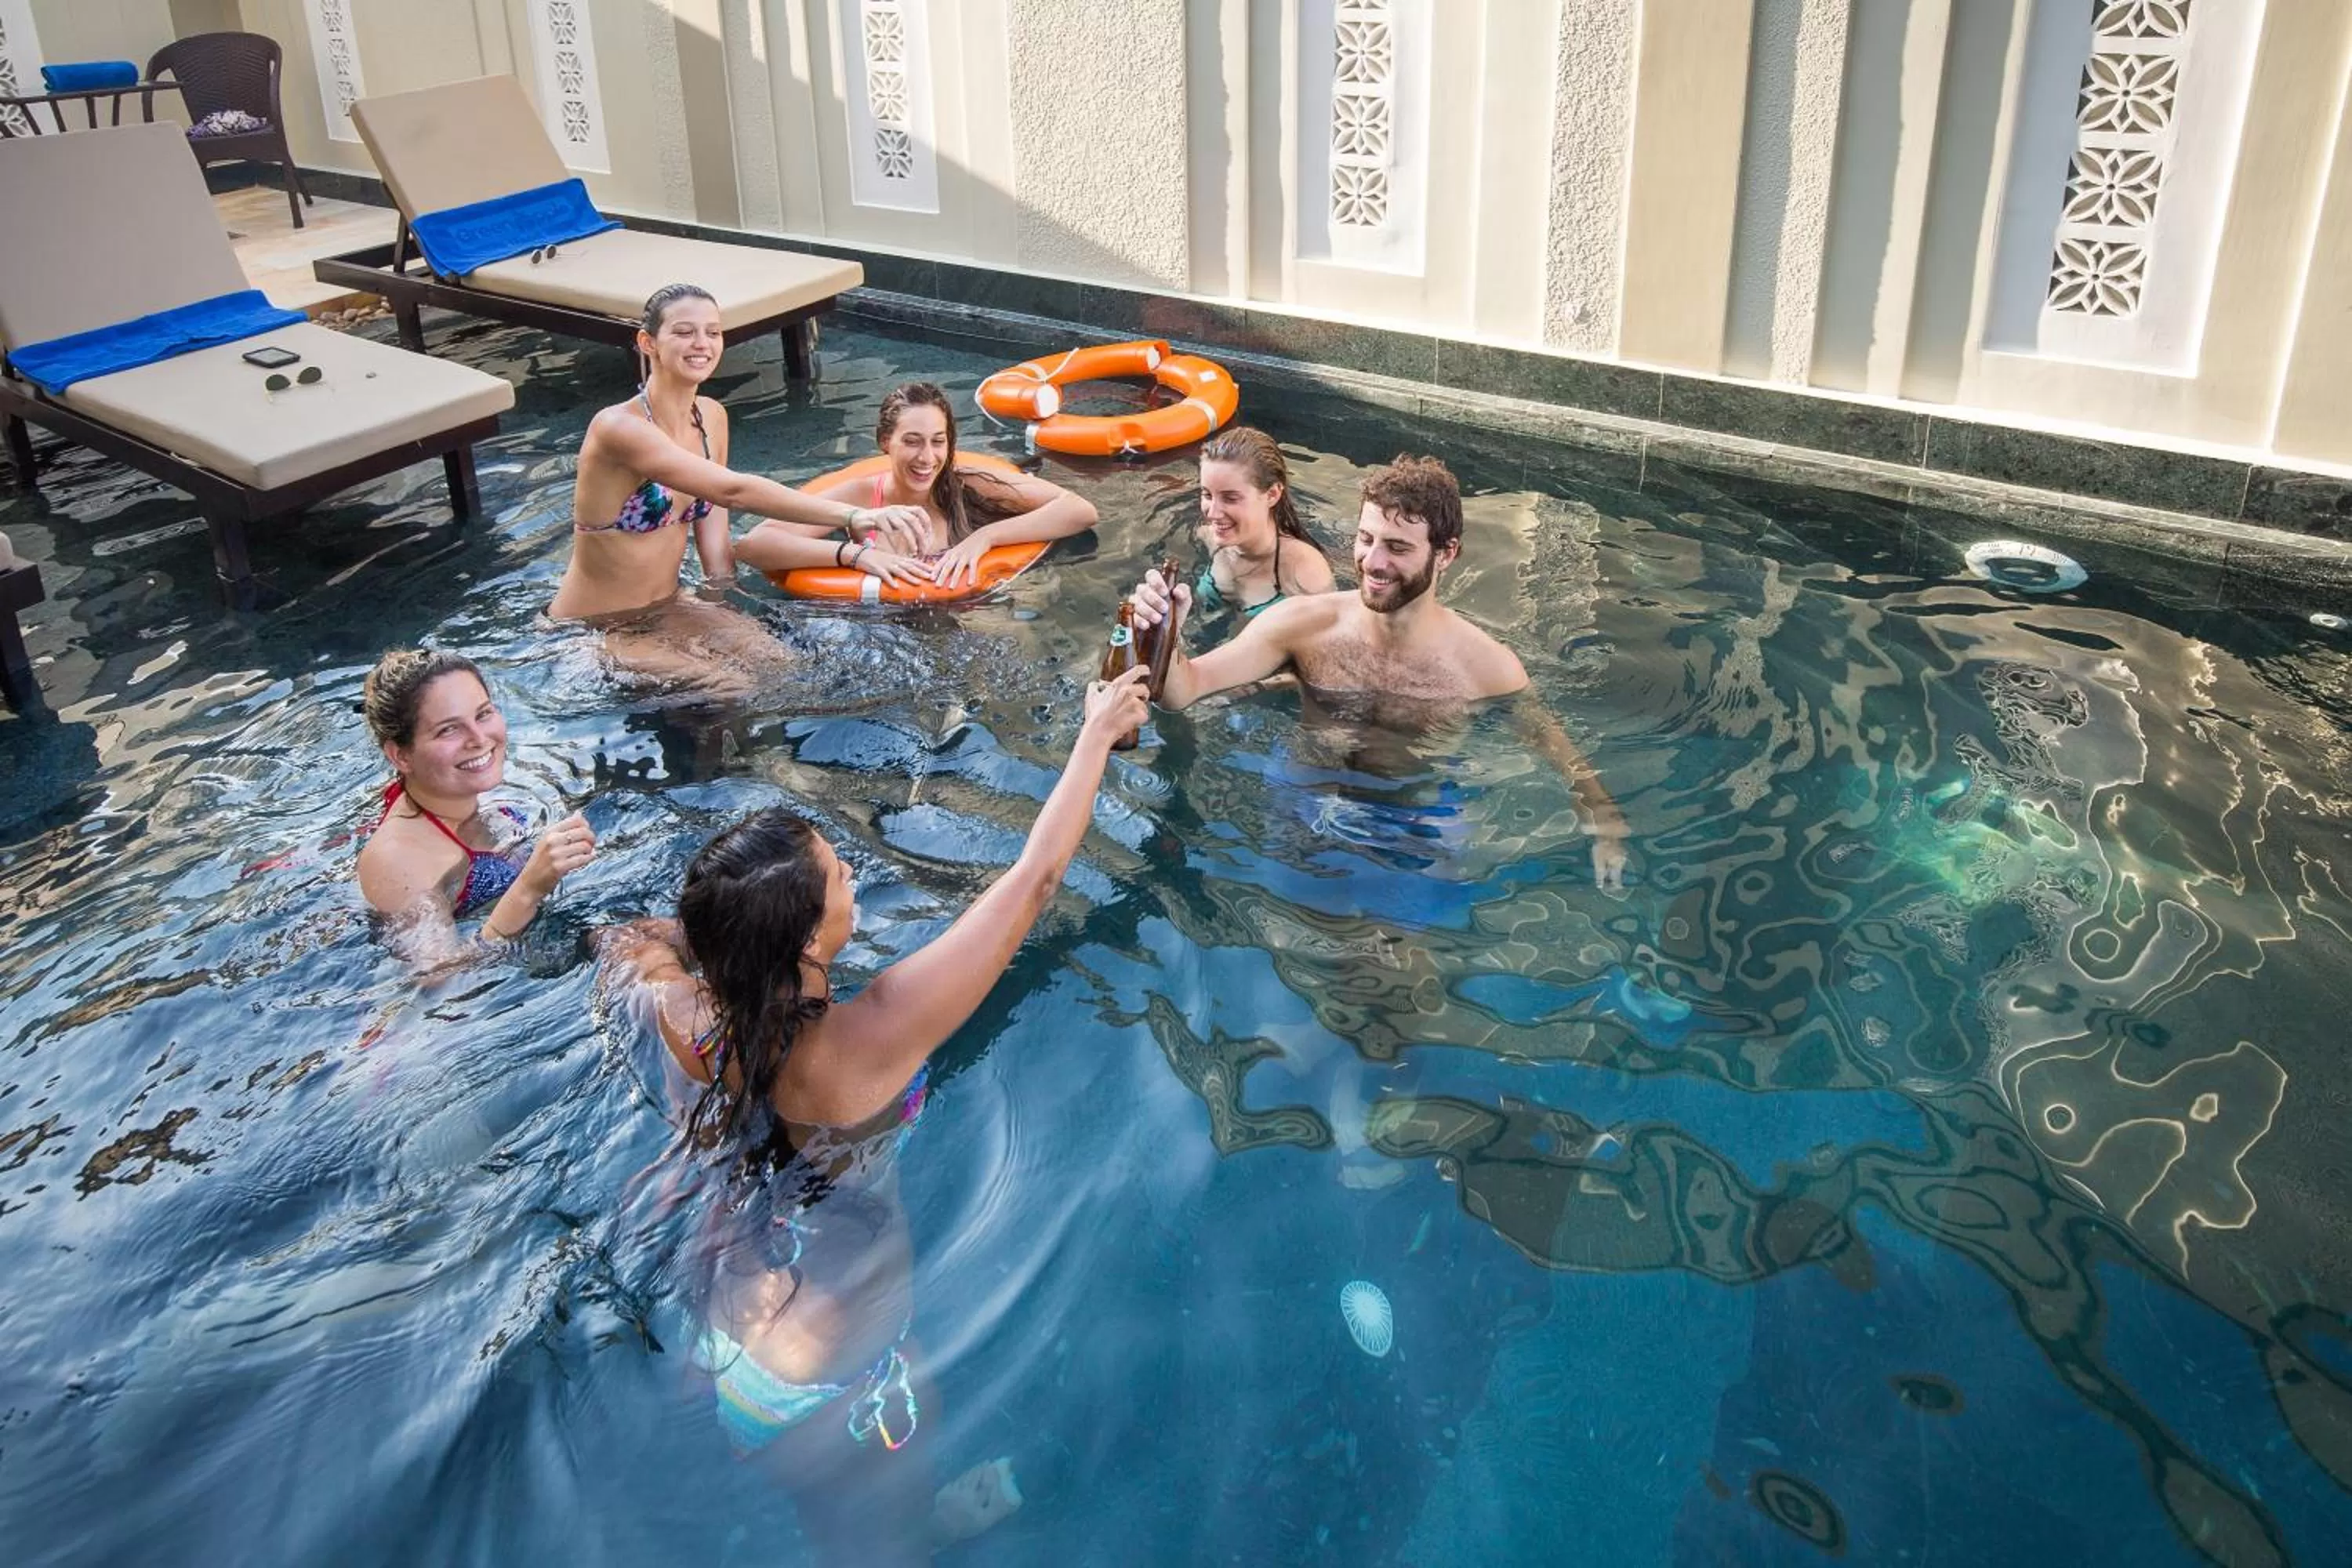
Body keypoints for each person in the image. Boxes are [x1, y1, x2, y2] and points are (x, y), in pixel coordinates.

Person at [596, 665, 1153, 1558]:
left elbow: (631, 942)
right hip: (842, 1375)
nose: (851, 871)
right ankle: (921, 1532)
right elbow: (1034, 879)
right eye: (837, 874)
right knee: (885, 1548)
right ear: (813, 941)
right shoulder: (867, 1040)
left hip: (722, 1337)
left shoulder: (686, 1019)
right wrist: (1094, 735)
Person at [1131, 454, 1632, 888]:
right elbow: (1182, 690)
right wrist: (1162, 633)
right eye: (1366, 538)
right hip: (1302, 799)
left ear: (1447, 553)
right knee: (1297, 944)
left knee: (1406, 970)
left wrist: (1604, 822)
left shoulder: (1486, 668)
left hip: (1413, 820)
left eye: (1397, 547)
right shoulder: (1304, 625)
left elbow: (1554, 748)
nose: (1372, 561)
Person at [553, 285, 936, 688]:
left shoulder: (711, 419)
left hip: (667, 606)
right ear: (648, 342)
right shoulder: (618, 428)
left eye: (713, 333)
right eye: (684, 332)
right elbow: (732, 491)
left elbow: (714, 529)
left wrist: (729, 603)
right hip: (595, 625)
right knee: (730, 686)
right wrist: (855, 515)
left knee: (780, 663)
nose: (702, 344)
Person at [354, 648, 596, 960]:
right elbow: (438, 984)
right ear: (401, 756)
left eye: (483, 714)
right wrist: (528, 889)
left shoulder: (463, 795)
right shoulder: (398, 860)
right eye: (449, 729)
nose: (479, 738)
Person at [740, 381, 1097, 591]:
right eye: (912, 441)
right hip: (874, 623)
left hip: (971, 613)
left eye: (938, 441)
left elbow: (1080, 510)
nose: (927, 457)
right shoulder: (862, 497)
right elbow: (753, 545)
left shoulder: (969, 481)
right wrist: (854, 555)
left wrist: (983, 538)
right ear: (885, 442)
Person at [1191, 426, 1336, 615]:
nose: (1212, 514)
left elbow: (1330, 639)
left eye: (1230, 498)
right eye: (1207, 495)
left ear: (1272, 495)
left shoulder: (1306, 572)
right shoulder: (1211, 537)